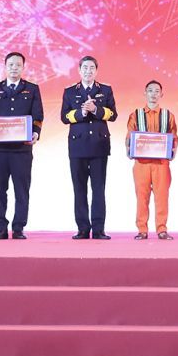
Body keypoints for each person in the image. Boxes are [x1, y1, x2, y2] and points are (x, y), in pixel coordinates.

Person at [0, 51, 44, 240]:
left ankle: (18, 228)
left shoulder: (32, 89)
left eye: (18, 65)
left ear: (23, 67)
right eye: (11, 65)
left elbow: (38, 115)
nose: (14, 68)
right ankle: (0, 227)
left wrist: (35, 132)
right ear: (5, 66)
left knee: (22, 190)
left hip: (22, 150)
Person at [61, 55, 116, 240]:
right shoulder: (70, 91)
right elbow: (64, 117)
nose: (88, 71)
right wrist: (81, 112)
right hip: (77, 147)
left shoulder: (105, 90)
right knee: (79, 189)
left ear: (96, 70)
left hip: (99, 146)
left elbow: (113, 115)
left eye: (92, 68)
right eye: (85, 68)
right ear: (79, 70)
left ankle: (99, 229)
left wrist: (96, 110)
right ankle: (83, 229)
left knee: (99, 189)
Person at [127, 80, 178, 240]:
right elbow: (130, 136)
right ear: (145, 93)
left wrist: (172, 152)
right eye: (150, 90)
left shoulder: (168, 115)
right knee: (141, 197)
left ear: (162, 94)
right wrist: (130, 150)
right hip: (141, 164)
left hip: (161, 164)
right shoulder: (136, 114)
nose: (153, 94)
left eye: (157, 91)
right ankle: (142, 229)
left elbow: (174, 137)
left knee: (162, 196)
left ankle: (161, 229)